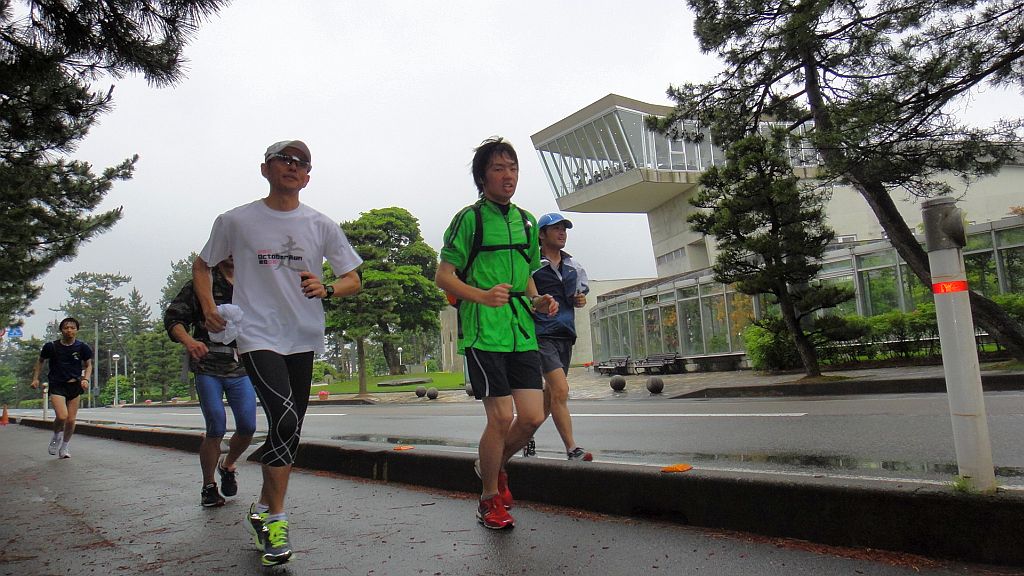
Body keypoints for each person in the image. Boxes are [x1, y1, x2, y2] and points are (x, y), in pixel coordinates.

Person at [193, 140, 362, 566]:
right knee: (284, 420)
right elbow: (202, 264)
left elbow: (353, 278)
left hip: (303, 334)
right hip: (256, 333)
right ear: (265, 168)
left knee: (290, 429)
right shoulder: (236, 220)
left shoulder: (320, 224)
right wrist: (210, 308)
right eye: (283, 159)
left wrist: (328, 287)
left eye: (301, 162)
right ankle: (277, 522)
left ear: (308, 177)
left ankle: (263, 509)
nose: (292, 166)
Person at [436, 137, 557, 530]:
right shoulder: (469, 219)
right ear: (483, 177)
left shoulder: (527, 221)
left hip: (521, 330)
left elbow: (527, 278)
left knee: (534, 415)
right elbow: (444, 277)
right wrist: (482, 296)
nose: (508, 176)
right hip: (483, 332)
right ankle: (489, 498)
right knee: (502, 417)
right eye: (499, 168)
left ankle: (491, 464)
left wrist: (538, 300)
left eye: (513, 168)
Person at [164, 256, 257, 508]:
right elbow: (173, 319)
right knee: (216, 425)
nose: (232, 254)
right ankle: (208, 486)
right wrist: (189, 341)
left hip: (240, 367)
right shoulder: (202, 282)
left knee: (248, 426)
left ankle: (227, 465)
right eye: (227, 248)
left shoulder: (252, 283)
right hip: (207, 366)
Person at [526, 213, 593, 461]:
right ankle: (572, 448)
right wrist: (536, 301)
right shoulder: (532, 265)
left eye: (564, 228)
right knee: (561, 389)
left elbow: (580, 294)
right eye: (556, 228)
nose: (562, 233)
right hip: (542, 334)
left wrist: (580, 299)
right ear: (541, 234)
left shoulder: (573, 265)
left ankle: (524, 434)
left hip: (566, 333)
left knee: (551, 395)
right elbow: (525, 294)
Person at [30, 317, 93, 459]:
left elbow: (88, 365)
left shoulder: (82, 347)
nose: (69, 330)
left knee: (71, 420)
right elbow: (40, 361)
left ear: (77, 330)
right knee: (62, 416)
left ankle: (64, 447)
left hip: (74, 385)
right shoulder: (51, 346)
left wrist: (86, 379)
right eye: (66, 327)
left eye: (72, 328)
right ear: (61, 330)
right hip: (57, 385)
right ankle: (56, 437)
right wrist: (35, 378)